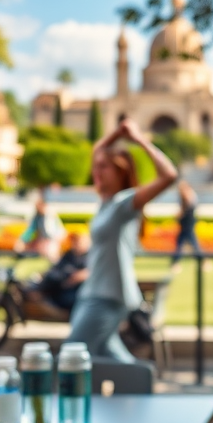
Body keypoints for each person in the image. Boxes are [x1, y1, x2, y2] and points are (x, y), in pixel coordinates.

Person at [66, 119, 177, 362]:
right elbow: (98, 150)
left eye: (105, 167)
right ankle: (142, 385)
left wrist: (139, 139)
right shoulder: (106, 204)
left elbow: (169, 175)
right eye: (96, 167)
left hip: (108, 297)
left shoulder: (123, 204)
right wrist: (117, 133)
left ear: (121, 173)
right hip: (92, 293)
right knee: (113, 357)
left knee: (71, 357)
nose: (97, 172)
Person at [24, 232, 90, 312]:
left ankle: (37, 293)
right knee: (52, 277)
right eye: (74, 240)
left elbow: (85, 274)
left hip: (75, 292)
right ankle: (35, 292)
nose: (75, 243)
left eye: (78, 240)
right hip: (61, 285)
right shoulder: (69, 255)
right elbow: (57, 269)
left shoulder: (90, 257)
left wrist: (79, 276)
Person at [15, 192, 66, 263]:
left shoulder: (50, 216)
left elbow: (51, 233)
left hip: (53, 239)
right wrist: (23, 239)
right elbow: (31, 229)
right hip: (43, 240)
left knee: (51, 251)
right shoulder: (37, 217)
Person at [170, 180, 202, 272]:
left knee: (185, 243)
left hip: (187, 223)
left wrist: (179, 215)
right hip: (187, 223)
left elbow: (186, 209)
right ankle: (176, 263)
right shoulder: (189, 194)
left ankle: (175, 263)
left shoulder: (188, 195)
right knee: (187, 242)